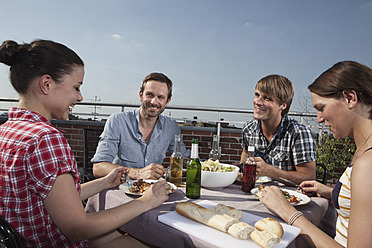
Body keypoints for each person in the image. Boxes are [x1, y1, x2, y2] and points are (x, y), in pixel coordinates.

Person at [0, 39, 170, 248]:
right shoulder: (45, 139)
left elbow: (50, 197)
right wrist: (147, 201)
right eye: (76, 87)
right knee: (157, 240)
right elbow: (77, 229)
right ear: (46, 84)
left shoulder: (7, 130)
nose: (80, 97)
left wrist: (104, 183)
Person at [260, 61, 372, 247]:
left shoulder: (368, 164)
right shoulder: (363, 150)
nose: (319, 119)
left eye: (321, 108)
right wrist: (330, 192)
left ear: (350, 98)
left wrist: (288, 212)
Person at [92, 72, 189, 180]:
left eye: (160, 97)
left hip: (153, 191)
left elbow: (184, 159)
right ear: (140, 95)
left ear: (167, 101)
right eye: (149, 95)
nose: (154, 102)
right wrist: (138, 173)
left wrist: (207, 165)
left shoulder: (171, 126)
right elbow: (98, 168)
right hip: (119, 188)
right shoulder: (118, 121)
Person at [240, 74, 316, 185]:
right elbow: (244, 163)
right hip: (253, 192)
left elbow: (308, 178)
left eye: (267, 98)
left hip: (287, 197)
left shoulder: (298, 133)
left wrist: (271, 172)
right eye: (257, 95)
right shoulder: (248, 129)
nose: (258, 102)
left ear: (283, 105)